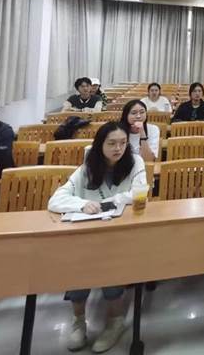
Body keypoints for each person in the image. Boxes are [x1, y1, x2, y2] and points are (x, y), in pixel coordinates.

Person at [48, 122, 147, 352]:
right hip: (87, 234)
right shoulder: (87, 167)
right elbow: (55, 200)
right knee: (78, 267)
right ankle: (78, 322)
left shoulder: (135, 162)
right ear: (99, 144)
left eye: (123, 143)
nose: (118, 148)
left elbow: (139, 192)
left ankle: (115, 321)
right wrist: (82, 204)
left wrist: (108, 202)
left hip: (120, 232)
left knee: (112, 266)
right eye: (111, 143)